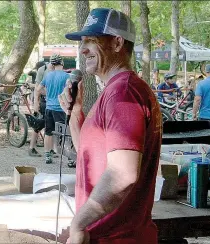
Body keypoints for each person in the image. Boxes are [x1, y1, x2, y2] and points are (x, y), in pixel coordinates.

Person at [60, 8, 162, 243]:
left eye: (91, 41)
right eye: (82, 41)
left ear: (117, 43)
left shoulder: (123, 92)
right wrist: (76, 113)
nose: (83, 49)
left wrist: (78, 223)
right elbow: (87, 153)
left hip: (117, 237)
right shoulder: (117, 90)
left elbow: (123, 174)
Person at [33, 54, 69, 163]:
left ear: (52, 64)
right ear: (62, 62)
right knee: (64, 132)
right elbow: (69, 91)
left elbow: (38, 89)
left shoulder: (48, 76)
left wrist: (49, 93)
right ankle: (68, 158)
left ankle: (47, 156)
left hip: (49, 108)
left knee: (48, 132)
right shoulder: (66, 76)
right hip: (60, 109)